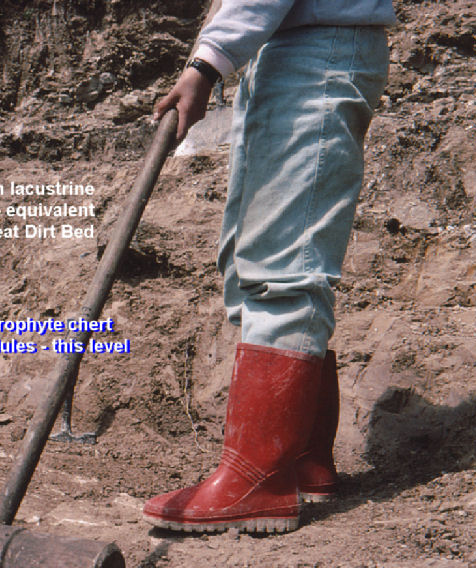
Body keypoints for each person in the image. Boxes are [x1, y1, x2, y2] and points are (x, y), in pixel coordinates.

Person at [142, 0, 395, 533]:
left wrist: (205, 63)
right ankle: (300, 458)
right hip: (283, 49)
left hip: (317, 49)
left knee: (284, 264)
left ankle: (259, 479)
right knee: (249, 261)